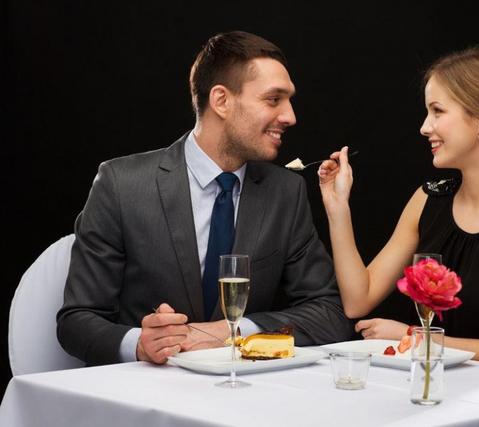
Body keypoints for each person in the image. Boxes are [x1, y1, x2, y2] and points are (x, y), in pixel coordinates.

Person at [57, 31, 353, 366]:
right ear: (221, 100)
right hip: (145, 389)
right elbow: (76, 321)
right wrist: (140, 344)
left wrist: (232, 332)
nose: (290, 117)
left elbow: (329, 313)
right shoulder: (121, 184)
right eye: (274, 100)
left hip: (246, 391)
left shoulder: (286, 191)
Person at [318, 46, 479, 369]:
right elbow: (358, 300)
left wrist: (412, 336)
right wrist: (337, 208)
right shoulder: (428, 199)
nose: (424, 127)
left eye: (437, 111)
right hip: (429, 383)